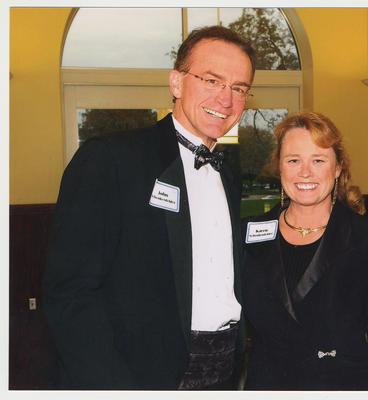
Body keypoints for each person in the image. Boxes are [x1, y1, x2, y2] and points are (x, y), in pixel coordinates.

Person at [42, 26, 255, 390]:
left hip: (224, 373)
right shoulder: (111, 160)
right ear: (176, 83)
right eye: (212, 80)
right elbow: (70, 295)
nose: (226, 99)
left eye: (239, 88)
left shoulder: (229, 174)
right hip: (140, 376)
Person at [241, 111, 368, 390]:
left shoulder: (366, 238)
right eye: (293, 160)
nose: (305, 172)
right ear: (279, 167)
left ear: (337, 168)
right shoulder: (248, 235)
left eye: (318, 160)